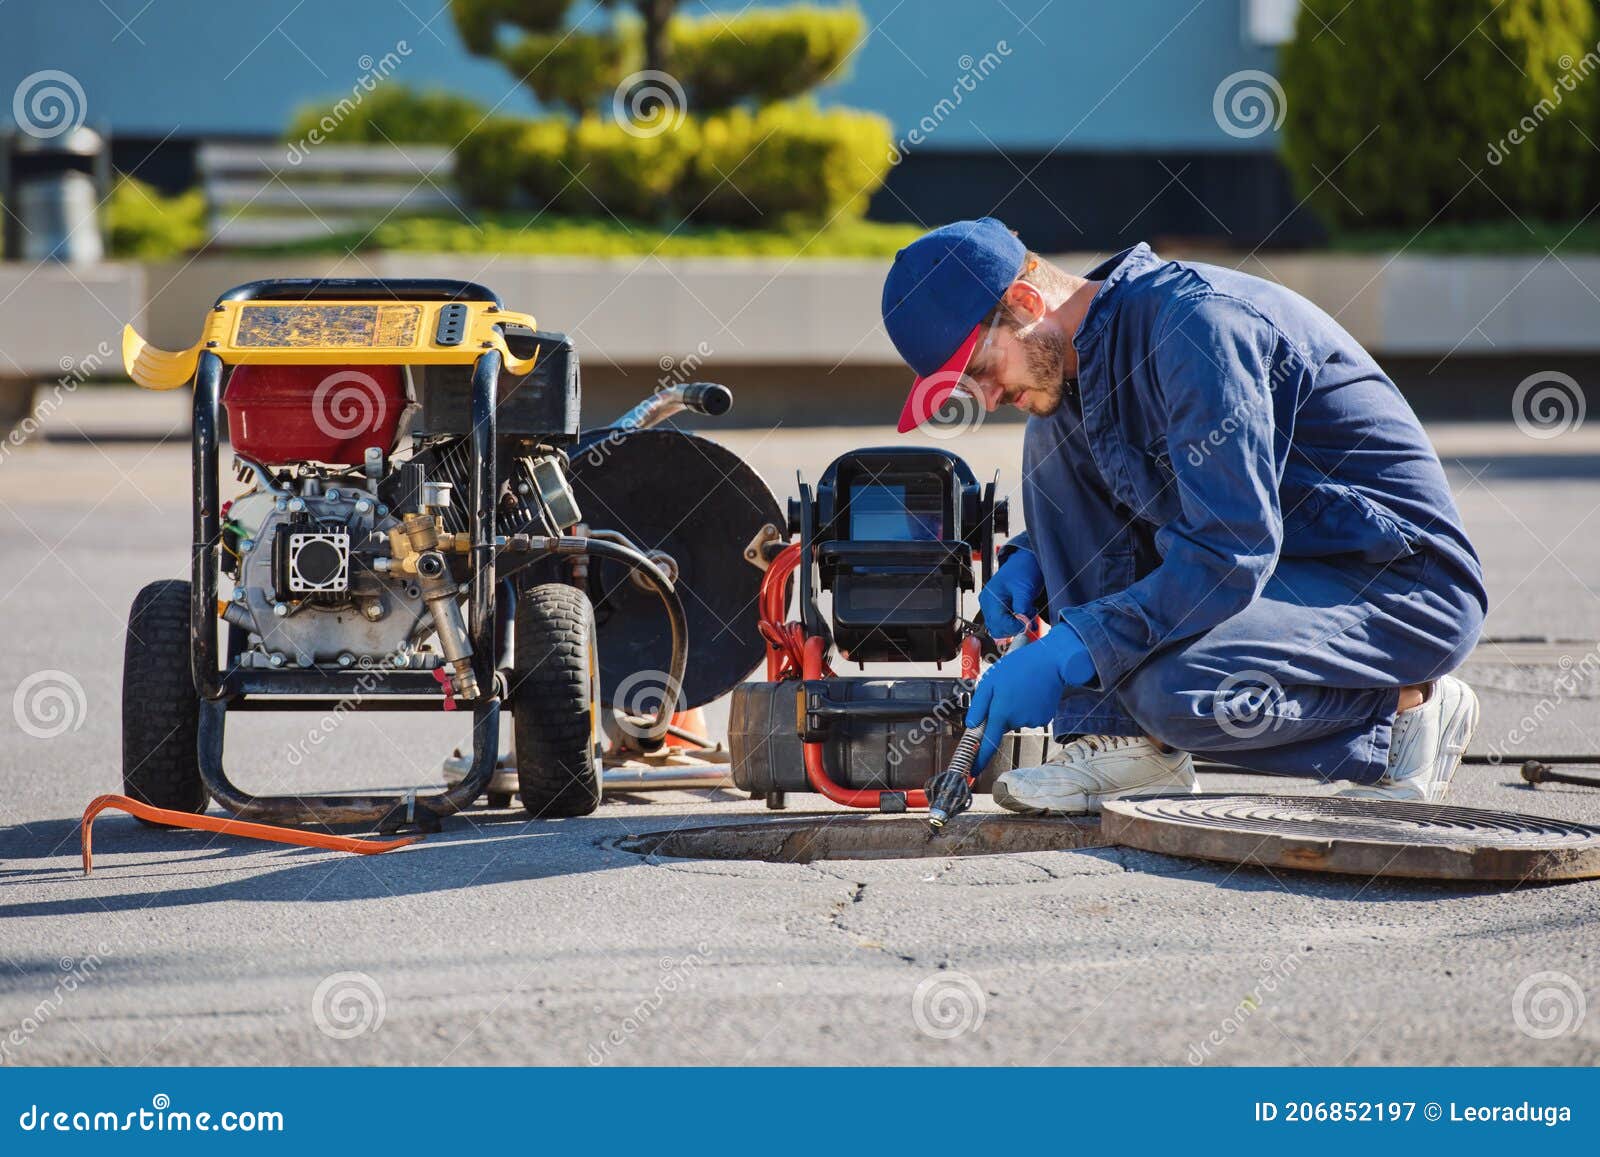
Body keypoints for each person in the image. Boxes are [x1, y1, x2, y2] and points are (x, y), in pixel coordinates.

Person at [880, 218, 1487, 812]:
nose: (985, 398)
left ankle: (1409, 709)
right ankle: (1126, 746)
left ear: (1024, 299)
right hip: (1286, 566)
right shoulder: (1081, 359)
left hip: (1399, 584)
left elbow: (1229, 552)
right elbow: (1152, 499)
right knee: (1051, 428)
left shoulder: (1198, 329)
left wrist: (1078, 645)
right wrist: (1036, 558)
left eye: (981, 372)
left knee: (1176, 692)